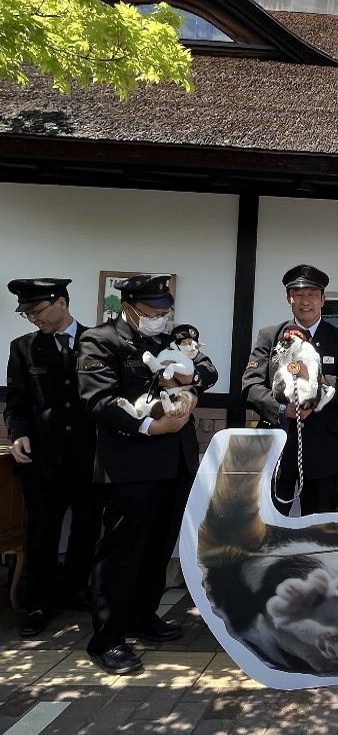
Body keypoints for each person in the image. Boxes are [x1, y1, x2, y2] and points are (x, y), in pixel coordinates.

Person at [77, 274, 217, 675]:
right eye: (153, 313)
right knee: (121, 551)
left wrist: (191, 378)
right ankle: (108, 639)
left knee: (159, 545)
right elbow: (97, 399)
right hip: (130, 464)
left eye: (165, 312)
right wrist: (146, 426)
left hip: (175, 462)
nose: (160, 319)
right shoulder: (100, 341)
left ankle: (143, 615)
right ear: (130, 307)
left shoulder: (170, 339)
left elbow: (207, 370)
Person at [4, 278, 101, 638]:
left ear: (61, 302)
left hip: (91, 457)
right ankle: (39, 603)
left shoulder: (98, 341)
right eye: (27, 313)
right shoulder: (24, 348)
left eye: (37, 311)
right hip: (43, 460)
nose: (33, 319)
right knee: (42, 531)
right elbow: (16, 403)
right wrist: (19, 434)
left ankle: (74, 589)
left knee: (88, 527)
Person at [241, 264, 338, 516]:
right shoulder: (271, 336)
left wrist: (317, 388)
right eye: (298, 294)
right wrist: (283, 409)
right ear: (288, 299)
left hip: (322, 448)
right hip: (277, 444)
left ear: (323, 299)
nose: (306, 301)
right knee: (269, 519)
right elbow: (250, 385)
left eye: (312, 294)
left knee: (319, 525)